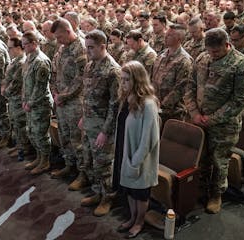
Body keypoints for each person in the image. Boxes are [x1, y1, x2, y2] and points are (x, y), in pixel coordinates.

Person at [185, 28, 244, 214]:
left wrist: (213, 119)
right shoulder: (202, 58)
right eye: (209, 50)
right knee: (201, 159)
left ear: (227, 44)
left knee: (219, 161)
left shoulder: (242, 65)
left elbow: (239, 101)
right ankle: (199, 190)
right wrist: (193, 113)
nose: (212, 55)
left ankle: (216, 194)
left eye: (216, 51)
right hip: (199, 120)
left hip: (224, 125)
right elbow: (190, 86)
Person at [115, 60, 160, 239]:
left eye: (126, 80)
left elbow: (150, 138)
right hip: (125, 150)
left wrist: (136, 161)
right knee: (128, 189)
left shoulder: (148, 104)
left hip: (140, 157)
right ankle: (132, 217)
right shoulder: (127, 99)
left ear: (137, 80)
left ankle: (139, 222)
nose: (123, 83)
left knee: (140, 192)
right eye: (122, 79)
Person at [79, 30, 120, 217]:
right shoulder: (90, 66)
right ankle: (97, 192)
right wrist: (83, 116)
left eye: (91, 48)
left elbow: (115, 105)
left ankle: (108, 198)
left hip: (103, 127)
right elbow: (87, 95)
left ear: (103, 46)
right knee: (89, 160)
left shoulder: (113, 71)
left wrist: (106, 131)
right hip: (89, 122)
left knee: (103, 165)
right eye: (86, 47)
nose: (88, 51)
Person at [49, 18, 88, 188]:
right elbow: (55, 72)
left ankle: (83, 174)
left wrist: (63, 96)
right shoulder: (63, 47)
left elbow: (81, 79)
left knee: (76, 140)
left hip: (74, 103)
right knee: (64, 136)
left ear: (68, 30)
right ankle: (69, 165)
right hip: (61, 101)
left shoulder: (81, 48)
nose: (57, 41)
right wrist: (55, 93)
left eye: (59, 37)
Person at [21, 31, 52, 175]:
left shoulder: (41, 61)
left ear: (34, 43)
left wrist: (30, 103)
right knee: (32, 132)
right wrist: (24, 100)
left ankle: (45, 161)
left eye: (25, 44)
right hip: (30, 103)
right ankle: (39, 157)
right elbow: (25, 83)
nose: (23, 47)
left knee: (41, 134)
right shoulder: (28, 59)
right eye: (22, 45)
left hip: (40, 104)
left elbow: (40, 88)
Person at [151, 24, 193, 123]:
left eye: (170, 35)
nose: (165, 36)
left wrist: (161, 105)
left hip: (172, 113)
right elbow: (153, 78)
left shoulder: (185, 60)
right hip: (155, 107)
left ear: (179, 39)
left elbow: (180, 89)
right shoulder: (162, 55)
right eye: (166, 34)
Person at [2, 37, 31, 161]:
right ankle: (19, 145)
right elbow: (7, 78)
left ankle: (25, 148)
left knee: (21, 124)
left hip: (18, 99)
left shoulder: (21, 62)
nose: (8, 50)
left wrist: (5, 92)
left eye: (10, 48)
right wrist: (4, 88)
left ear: (19, 48)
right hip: (13, 99)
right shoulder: (14, 61)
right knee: (15, 123)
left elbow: (16, 83)